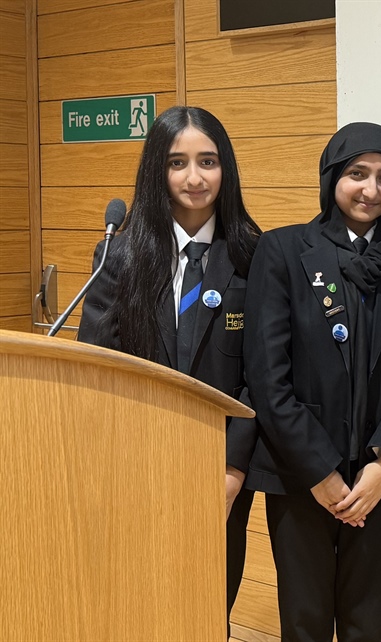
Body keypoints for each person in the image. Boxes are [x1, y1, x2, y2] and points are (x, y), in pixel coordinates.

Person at [241, 122, 381, 642]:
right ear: (331, 178)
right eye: (357, 174)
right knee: (302, 623)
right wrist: (321, 472)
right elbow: (267, 378)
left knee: (365, 623)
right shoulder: (281, 251)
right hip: (298, 476)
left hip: (377, 483)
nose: (371, 190)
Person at [77, 105, 262, 630]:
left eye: (208, 161)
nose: (194, 177)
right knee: (139, 602)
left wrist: (233, 470)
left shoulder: (253, 254)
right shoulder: (121, 254)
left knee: (208, 604)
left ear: (226, 169)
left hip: (219, 465)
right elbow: (100, 366)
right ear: (157, 170)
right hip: (137, 461)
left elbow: (262, 374)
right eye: (177, 163)